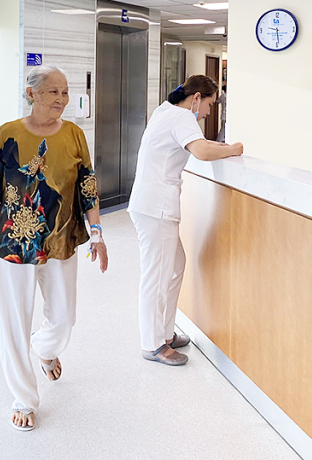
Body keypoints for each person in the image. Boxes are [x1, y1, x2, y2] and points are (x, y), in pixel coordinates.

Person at [0, 65, 108, 431]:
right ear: (32, 94)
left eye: (64, 92)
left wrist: (98, 233)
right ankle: (24, 398)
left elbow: (87, 187)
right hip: (13, 241)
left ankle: (45, 349)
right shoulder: (8, 134)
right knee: (14, 321)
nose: (61, 99)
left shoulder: (74, 135)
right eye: (52, 92)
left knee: (64, 318)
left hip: (60, 239)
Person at [127, 75, 243, 366]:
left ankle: (165, 333)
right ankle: (153, 344)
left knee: (175, 266)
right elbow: (202, 150)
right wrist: (232, 149)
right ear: (196, 98)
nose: (207, 112)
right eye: (209, 104)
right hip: (156, 207)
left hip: (151, 204)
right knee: (157, 275)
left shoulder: (166, 110)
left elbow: (199, 144)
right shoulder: (182, 117)